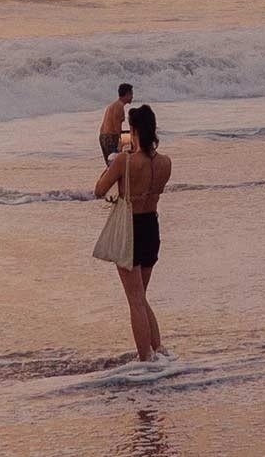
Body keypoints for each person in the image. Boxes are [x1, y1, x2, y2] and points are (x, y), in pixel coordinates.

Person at [94, 104, 173, 363]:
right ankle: (157, 350)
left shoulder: (125, 161)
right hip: (152, 225)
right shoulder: (165, 162)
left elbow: (99, 189)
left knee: (135, 299)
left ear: (134, 130)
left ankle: (146, 360)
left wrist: (113, 163)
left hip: (131, 227)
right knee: (141, 296)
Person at [100, 83, 134, 164]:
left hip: (103, 136)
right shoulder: (119, 106)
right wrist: (120, 142)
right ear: (127, 94)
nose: (132, 97)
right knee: (115, 165)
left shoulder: (114, 105)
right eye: (131, 94)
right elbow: (116, 126)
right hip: (110, 137)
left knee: (111, 164)